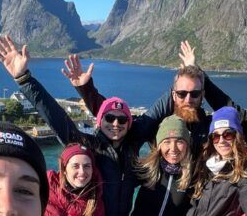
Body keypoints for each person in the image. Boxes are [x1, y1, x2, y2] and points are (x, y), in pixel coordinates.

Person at [0, 35, 155, 216]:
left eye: (122, 120)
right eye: (109, 119)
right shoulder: (89, 149)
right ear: (99, 121)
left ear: (129, 123)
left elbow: (158, 113)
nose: (115, 124)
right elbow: (56, 116)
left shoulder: (132, 153)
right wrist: (24, 79)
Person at [63, 54, 213, 151]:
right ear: (173, 94)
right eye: (181, 93)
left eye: (195, 94)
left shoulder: (213, 130)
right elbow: (115, 117)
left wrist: (195, 70)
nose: (188, 99)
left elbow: (227, 108)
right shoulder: (156, 127)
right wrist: (86, 88)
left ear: (202, 95)